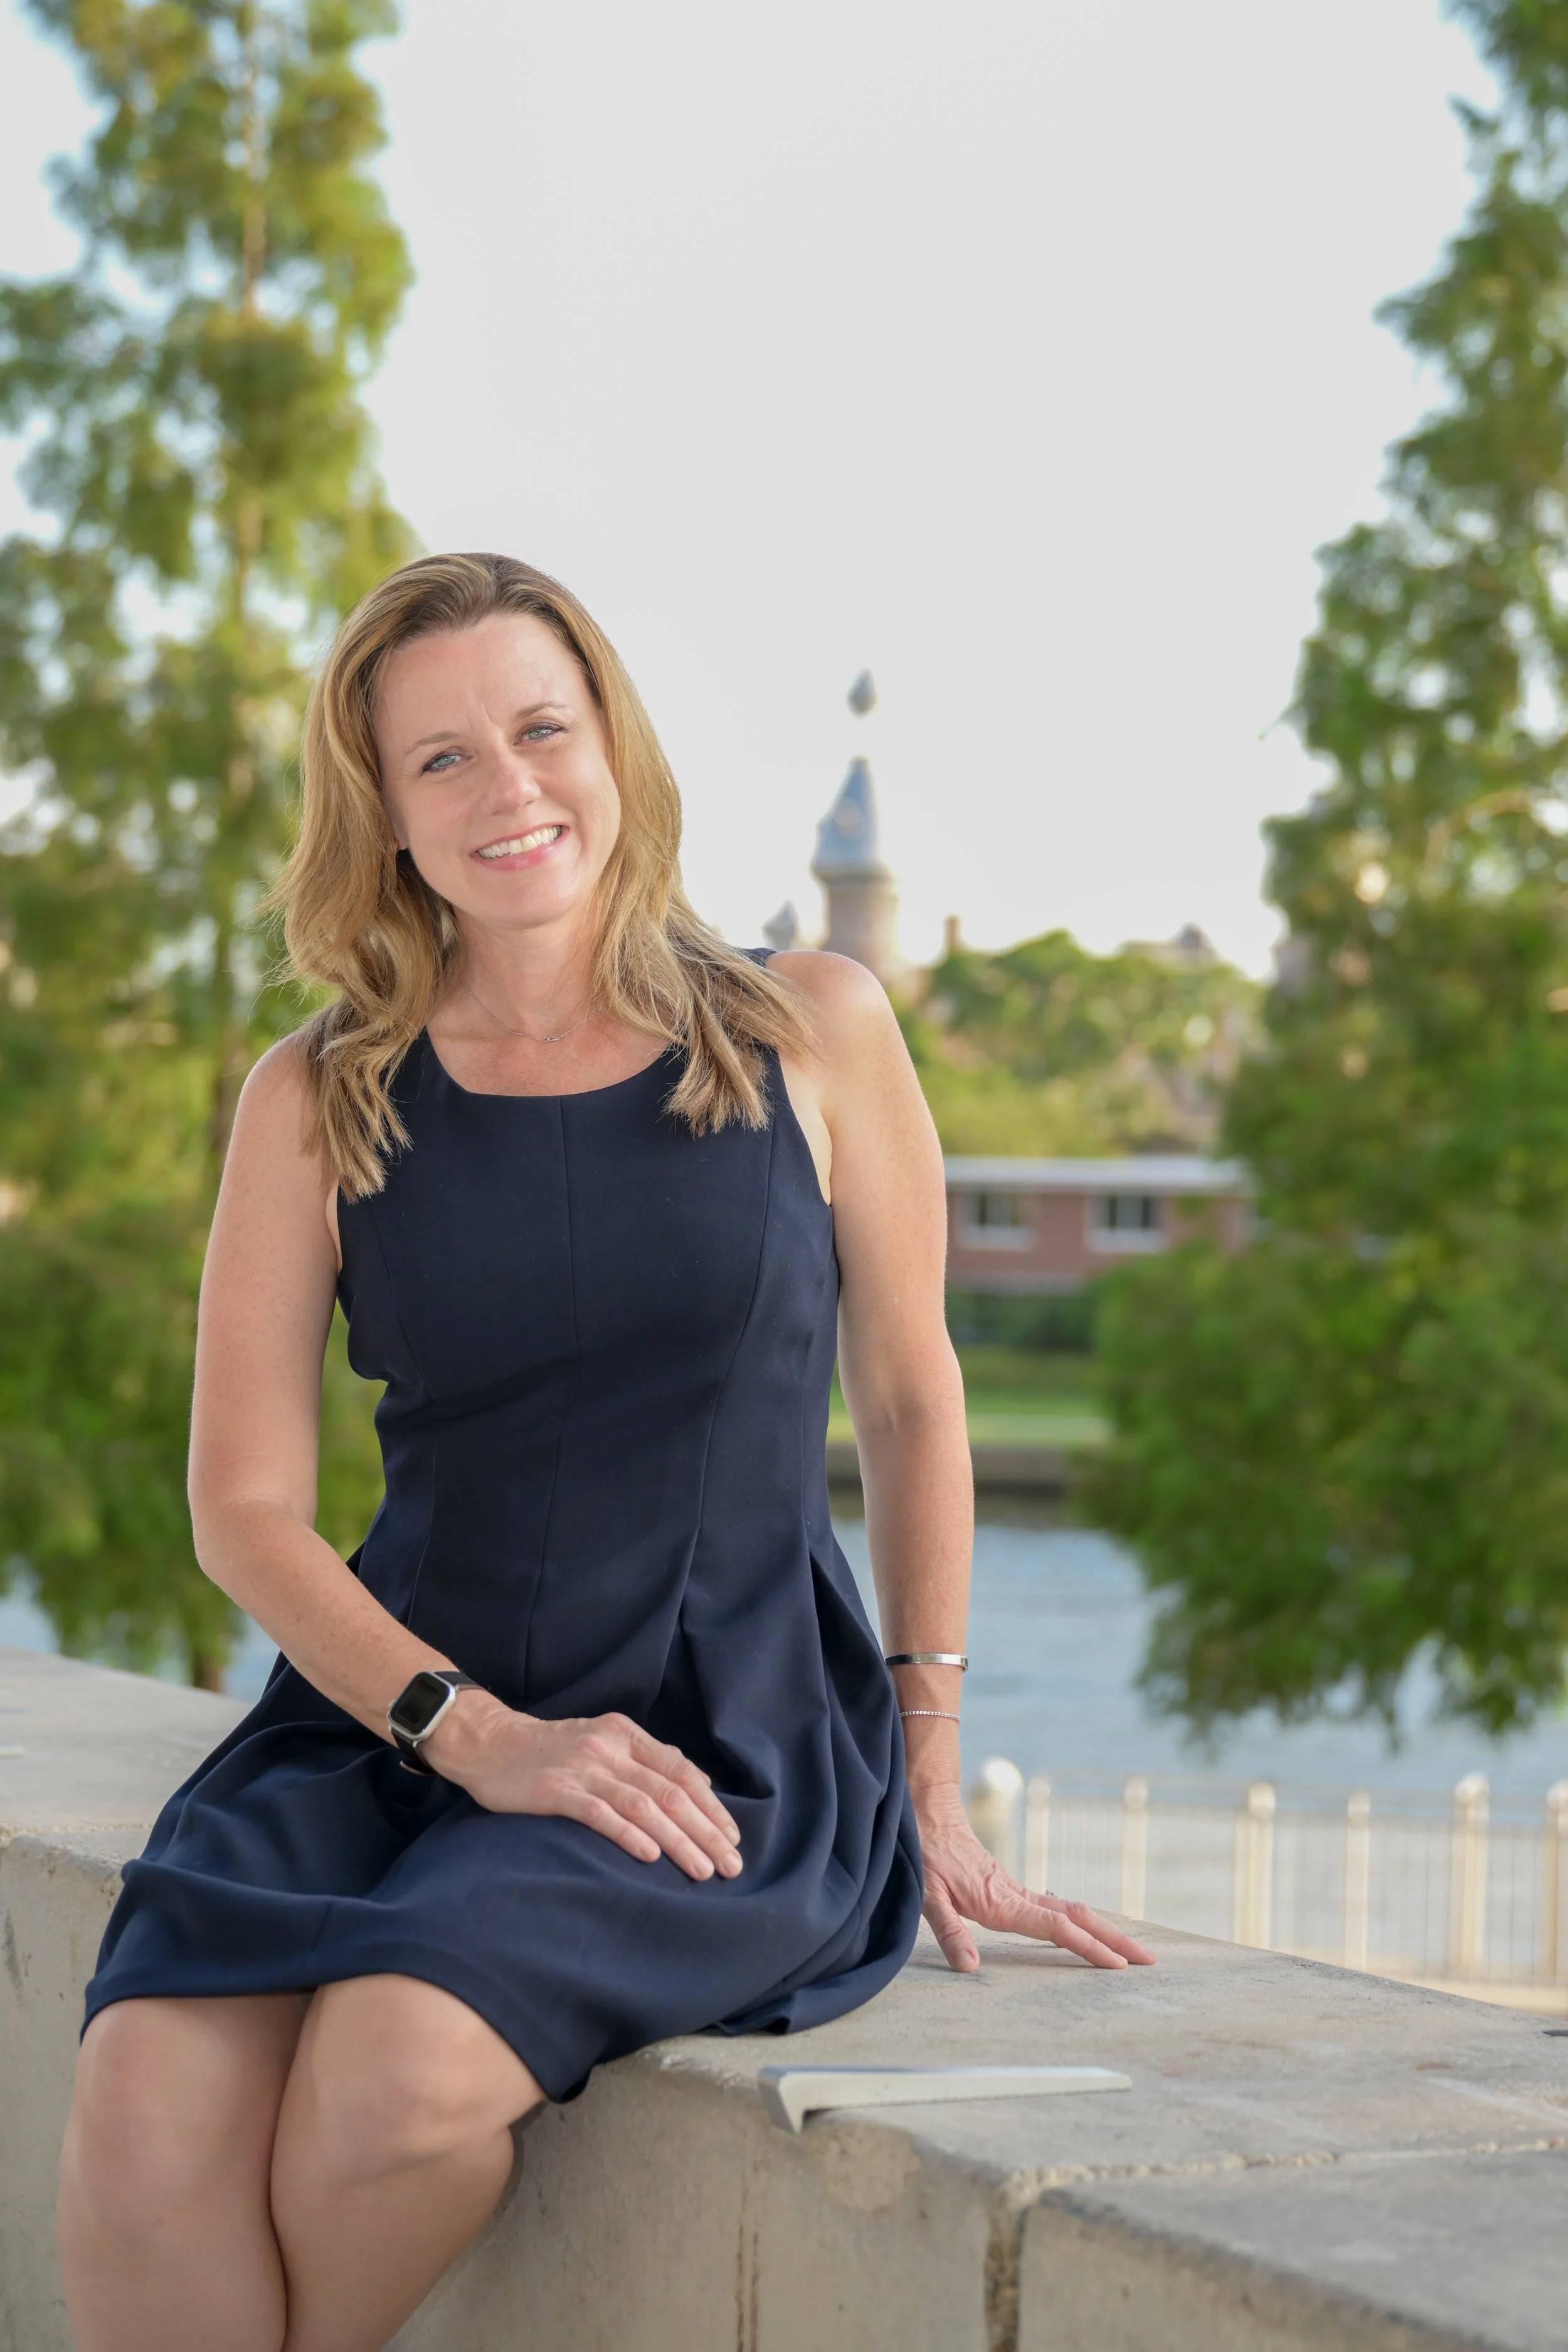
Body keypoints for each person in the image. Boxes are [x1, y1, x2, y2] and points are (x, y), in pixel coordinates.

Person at [56, 552, 1153, 2352]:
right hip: (393, 1714)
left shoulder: (813, 1027)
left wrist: (931, 1775)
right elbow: (242, 1511)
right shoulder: (316, 1092)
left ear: (615, 744)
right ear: (384, 815)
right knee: (146, 2102)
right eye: (443, 761)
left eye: (539, 728)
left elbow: (909, 1397)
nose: (508, 792)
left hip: (706, 1739)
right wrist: (470, 1733)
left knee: (388, 2079)